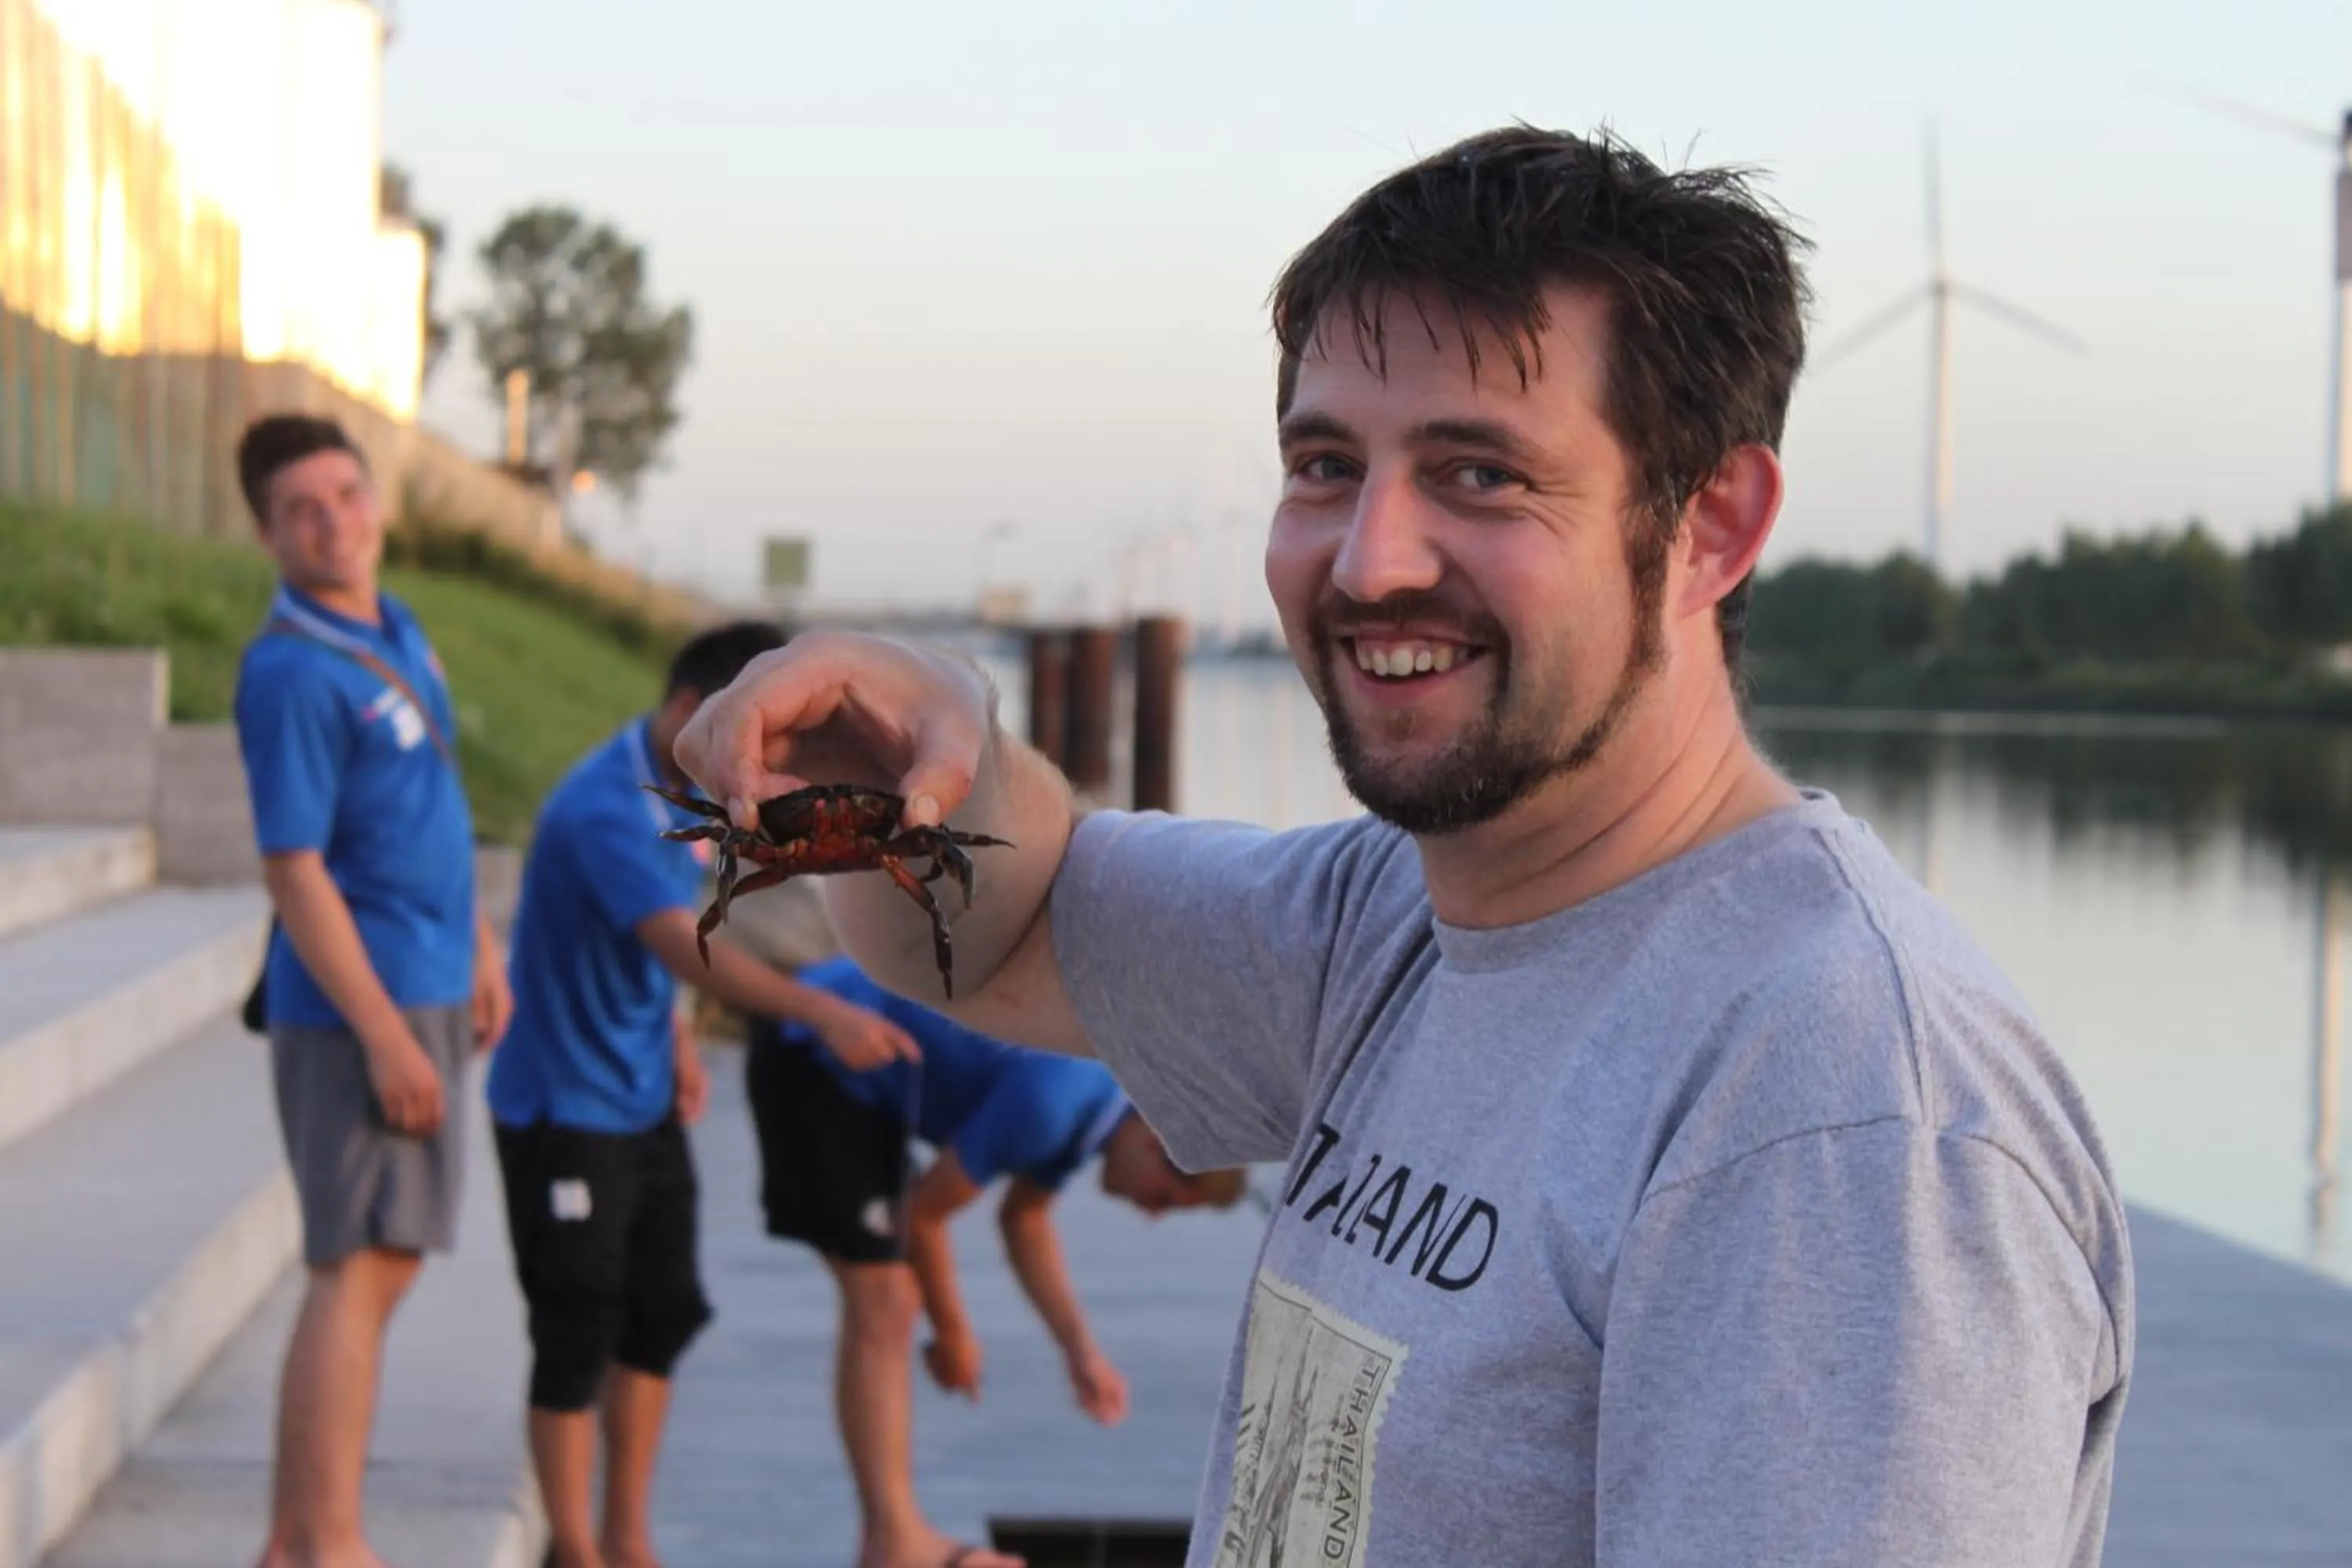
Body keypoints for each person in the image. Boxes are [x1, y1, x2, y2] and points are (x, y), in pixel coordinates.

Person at [671, 125, 2138, 1568]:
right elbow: (1006, 928)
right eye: (1325, 464)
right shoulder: (1387, 922)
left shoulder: (1842, 1116)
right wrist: (915, 753)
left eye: (1480, 474)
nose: (1369, 559)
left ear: (1708, 528)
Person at [485, 619, 925, 1568]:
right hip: (563, 1109)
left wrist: (678, 1039)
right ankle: (575, 1548)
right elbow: (687, 944)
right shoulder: (603, 807)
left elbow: (665, 943)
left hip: (640, 1096)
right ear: (693, 712)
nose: (766, 768)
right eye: (760, 738)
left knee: (659, 1315)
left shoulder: (681, 786)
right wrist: (819, 1011)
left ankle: (627, 1539)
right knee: (575, 1327)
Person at [230, 413, 515, 1568]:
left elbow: (423, 810)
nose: (334, 522)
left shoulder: (390, 625)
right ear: (268, 533)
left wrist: (482, 941)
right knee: (357, 1263)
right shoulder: (291, 670)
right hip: (363, 1007)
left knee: (383, 1259)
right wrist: (389, 1039)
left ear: (375, 500)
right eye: (304, 509)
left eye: (346, 494)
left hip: (432, 975)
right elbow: (295, 870)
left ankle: (309, 1538)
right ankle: (317, 1543)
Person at [744, 953, 1247, 1568]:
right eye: (1166, 1199)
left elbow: (1024, 1220)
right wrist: (954, 1333)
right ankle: (893, 1544)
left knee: (891, 1300)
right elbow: (923, 1218)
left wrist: (1079, 1352)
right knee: (885, 1301)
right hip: (819, 1050)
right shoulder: (1053, 1107)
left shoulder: (1093, 1103)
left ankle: (891, 1539)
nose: (1151, 1214)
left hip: (866, 1084)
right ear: (1154, 1141)